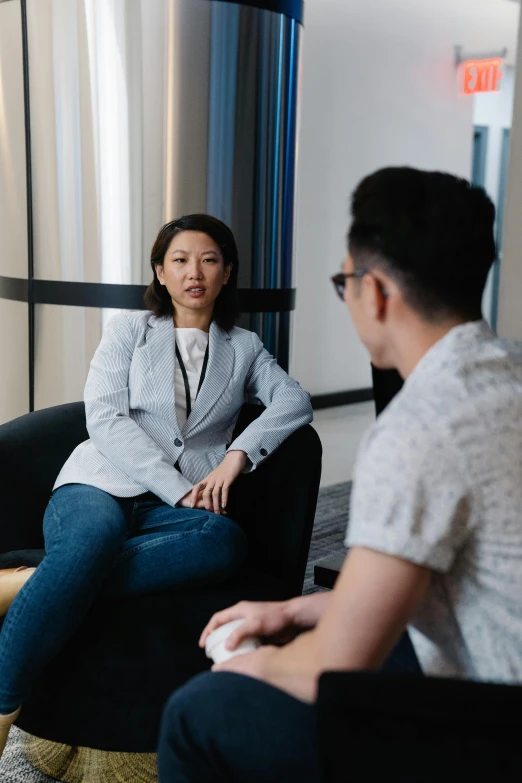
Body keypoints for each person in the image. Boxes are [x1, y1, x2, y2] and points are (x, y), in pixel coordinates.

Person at [157, 167, 522, 783]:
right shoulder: (506, 372)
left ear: (375, 292)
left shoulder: (419, 427)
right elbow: (426, 580)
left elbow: (338, 661)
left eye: (344, 282)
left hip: (494, 721)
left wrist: (254, 667)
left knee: (200, 711)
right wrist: (294, 613)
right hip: (487, 656)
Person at [0, 213, 312, 755]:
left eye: (209, 260)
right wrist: (172, 485)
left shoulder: (244, 347)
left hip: (180, 510)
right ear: (160, 273)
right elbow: (105, 417)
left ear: (226, 272)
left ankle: (30, 580)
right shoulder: (128, 330)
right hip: (101, 482)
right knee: (93, 538)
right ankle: (3, 705)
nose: (196, 272)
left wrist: (237, 456)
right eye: (181, 260)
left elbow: (293, 401)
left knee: (223, 541)